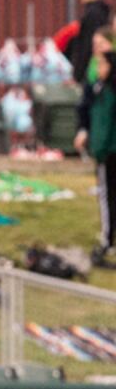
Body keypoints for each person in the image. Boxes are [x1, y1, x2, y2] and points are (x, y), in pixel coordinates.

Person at [74, 29, 116, 265]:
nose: (97, 49)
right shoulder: (96, 85)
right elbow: (85, 107)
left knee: (107, 195)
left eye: (101, 45)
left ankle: (108, 240)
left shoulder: (109, 90)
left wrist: (99, 148)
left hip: (108, 150)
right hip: (104, 149)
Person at [67, 0, 111, 84]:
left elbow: (87, 47)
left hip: (93, 75)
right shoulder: (96, 11)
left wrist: (78, 77)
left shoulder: (94, 14)